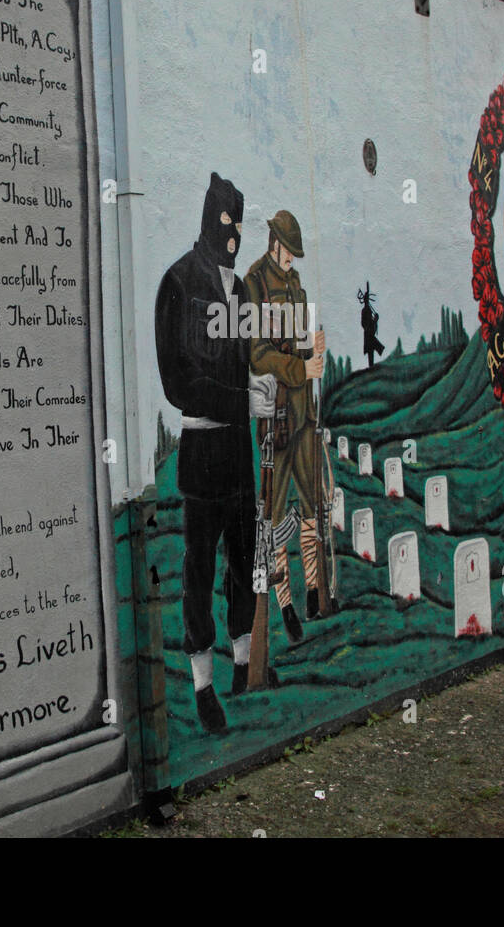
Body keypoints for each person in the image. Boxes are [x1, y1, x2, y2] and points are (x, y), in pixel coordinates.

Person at [154, 172, 278, 735]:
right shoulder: (178, 283)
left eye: (240, 223)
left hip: (238, 453)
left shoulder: (243, 292)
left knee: (243, 561)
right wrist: (241, 400)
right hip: (204, 450)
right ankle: (203, 684)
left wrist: (269, 385)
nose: (234, 233)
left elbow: (249, 362)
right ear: (209, 220)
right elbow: (179, 383)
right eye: (225, 221)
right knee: (200, 570)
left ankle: (245, 666)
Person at [245, 211, 329, 639]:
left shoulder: (295, 286)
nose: (293, 259)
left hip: (304, 414)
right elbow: (257, 354)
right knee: (276, 517)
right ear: (274, 242)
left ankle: (314, 588)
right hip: (276, 420)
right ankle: (286, 605)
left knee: (313, 503)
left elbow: (297, 340)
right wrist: (302, 368)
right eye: (289, 250)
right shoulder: (254, 284)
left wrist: (313, 347)